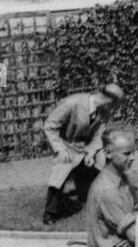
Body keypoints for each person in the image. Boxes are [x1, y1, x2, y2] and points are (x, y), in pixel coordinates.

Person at [41, 82, 123, 223]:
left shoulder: (104, 112)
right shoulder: (72, 103)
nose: (114, 109)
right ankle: (50, 212)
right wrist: (60, 150)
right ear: (109, 101)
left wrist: (91, 153)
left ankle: (94, 199)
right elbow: (49, 127)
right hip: (65, 144)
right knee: (63, 169)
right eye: (115, 105)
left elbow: (98, 136)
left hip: (85, 146)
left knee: (103, 159)